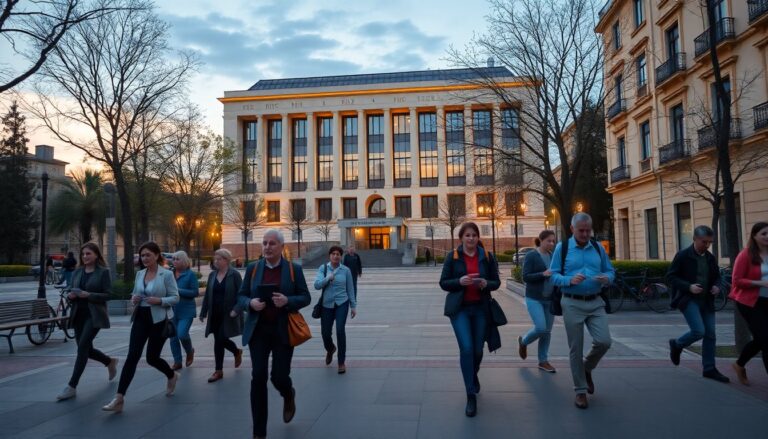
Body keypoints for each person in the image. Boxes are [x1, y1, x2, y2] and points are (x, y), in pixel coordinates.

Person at [237, 229, 311, 439]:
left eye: (272, 243)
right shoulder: (253, 269)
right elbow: (241, 296)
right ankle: (259, 432)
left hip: (282, 330)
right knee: (258, 377)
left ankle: (288, 394)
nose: (267, 247)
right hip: (258, 331)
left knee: (279, 377)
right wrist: (249, 303)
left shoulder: (293, 269)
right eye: (264, 243)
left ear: (281, 247)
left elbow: (305, 297)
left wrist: (288, 301)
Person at [102, 242, 180, 413]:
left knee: (152, 358)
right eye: (142, 255)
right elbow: (135, 293)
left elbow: (175, 298)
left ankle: (172, 375)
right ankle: (119, 397)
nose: (144, 258)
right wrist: (134, 299)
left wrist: (159, 301)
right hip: (140, 318)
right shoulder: (140, 274)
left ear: (157, 255)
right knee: (132, 356)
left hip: (158, 319)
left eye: (148, 255)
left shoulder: (166, 275)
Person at [550, 212, 614, 409]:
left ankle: (587, 368)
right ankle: (580, 391)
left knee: (604, 341)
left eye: (588, 230)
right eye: (581, 230)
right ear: (572, 229)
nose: (585, 234)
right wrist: (568, 280)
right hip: (572, 302)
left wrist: (608, 278)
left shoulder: (597, 247)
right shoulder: (563, 248)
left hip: (595, 302)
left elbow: (611, 270)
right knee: (575, 348)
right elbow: (553, 275)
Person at [439, 222, 500, 418]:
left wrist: (485, 283)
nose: (471, 238)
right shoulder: (453, 257)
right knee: (466, 348)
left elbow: (496, 282)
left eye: (474, 235)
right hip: (460, 310)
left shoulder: (487, 256)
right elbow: (443, 283)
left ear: (478, 237)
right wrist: (459, 282)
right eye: (467, 235)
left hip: (481, 309)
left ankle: (472, 375)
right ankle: (470, 394)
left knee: (477, 350)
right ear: (461, 238)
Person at [55, 243, 118, 401]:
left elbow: (108, 295)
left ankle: (71, 386)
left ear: (96, 255)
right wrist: (71, 295)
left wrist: (88, 295)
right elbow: (71, 288)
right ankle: (109, 361)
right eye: (83, 254)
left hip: (94, 315)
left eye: (88, 254)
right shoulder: (77, 272)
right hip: (78, 314)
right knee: (86, 349)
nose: (85, 257)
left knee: (82, 347)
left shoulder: (103, 272)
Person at [666, 225, 728, 383]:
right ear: (694, 239)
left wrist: (717, 286)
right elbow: (671, 277)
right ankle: (677, 344)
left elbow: (717, 277)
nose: (707, 245)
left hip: (707, 300)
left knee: (710, 334)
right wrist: (689, 287)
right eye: (704, 242)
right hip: (688, 300)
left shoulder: (710, 257)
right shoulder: (683, 255)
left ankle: (709, 368)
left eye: (709, 242)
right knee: (699, 331)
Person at [729, 222, 768, 385]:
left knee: (761, 340)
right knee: (766, 340)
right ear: (754, 236)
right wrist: (760, 283)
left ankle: (739, 364)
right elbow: (737, 280)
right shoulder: (746, 255)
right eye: (764, 234)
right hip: (750, 303)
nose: (767, 237)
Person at [200, 248, 244, 382]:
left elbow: (242, 294)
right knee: (219, 339)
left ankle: (218, 371)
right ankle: (236, 351)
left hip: (228, 314)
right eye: (215, 259)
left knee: (220, 339)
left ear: (226, 260)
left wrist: (236, 309)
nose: (216, 261)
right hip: (215, 313)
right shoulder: (213, 275)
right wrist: (203, 312)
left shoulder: (234, 274)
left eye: (218, 259)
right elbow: (208, 294)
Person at [518, 230, 557, 373]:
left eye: (553, 241)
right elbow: (525, 277)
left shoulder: (553, 256)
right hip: (534, 298)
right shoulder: (532, 255)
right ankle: (524, 341)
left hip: (550, 299)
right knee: (541, 328)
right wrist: (543, 274)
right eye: (549, 241)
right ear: (541, 240)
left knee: (547, 332)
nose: (551, 244)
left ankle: (543, 361)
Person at [314, 246, 357, 374]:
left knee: (340, 330)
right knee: (325, 333)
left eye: (338, 254)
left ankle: (341, 362)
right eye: (333, 254)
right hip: (327, 305)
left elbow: (351, 288)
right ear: (329, 255)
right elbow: (316, 285)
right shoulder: (323, 268)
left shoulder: (346, 271)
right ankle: (331, 348)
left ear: (341, 256)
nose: (336, 256)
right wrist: (327, 278)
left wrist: (353, 306)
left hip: (342, 304)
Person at [169, 251, 199, 371]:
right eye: (173, 259)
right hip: (171, 310)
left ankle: (189, 351)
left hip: (186, 311)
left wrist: (178, 290)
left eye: (177, 259)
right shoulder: (169, 274)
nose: (174, 261)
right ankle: (177, 361)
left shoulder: (190, 275)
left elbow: (194, 292)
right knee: (173, 337)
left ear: (184, 261)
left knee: (182, 334)